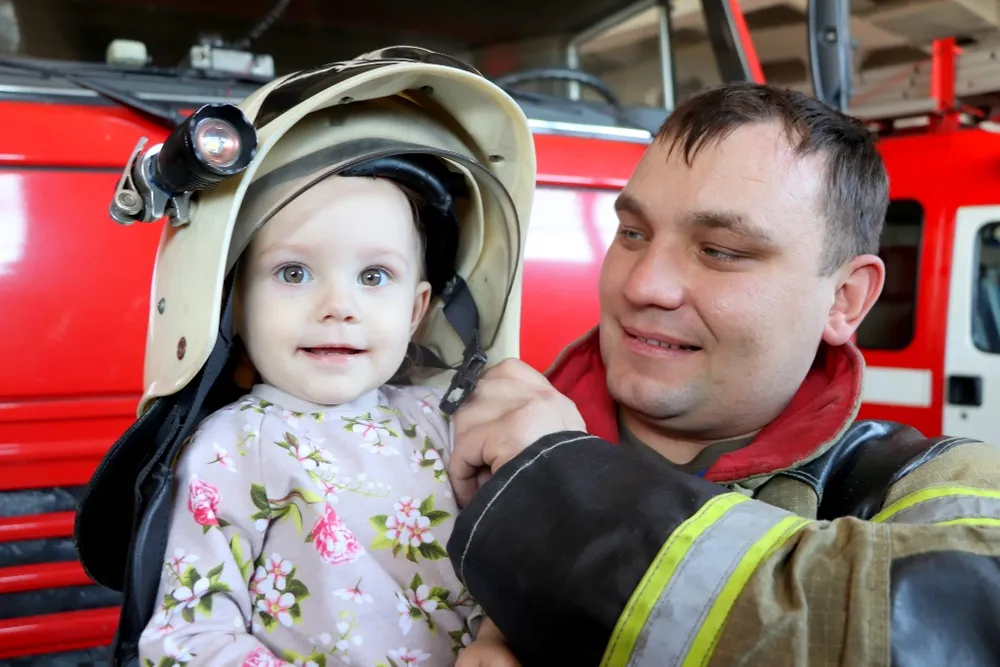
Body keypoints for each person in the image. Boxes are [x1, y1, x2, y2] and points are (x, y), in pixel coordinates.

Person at [444, 81, 1000, 667]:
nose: (643, 285)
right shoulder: (463, 433)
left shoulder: (925, 481)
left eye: (720, 251)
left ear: (845, 299)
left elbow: (963, 624)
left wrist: (558, 487)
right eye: (633, 233)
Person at [74, 47, 534, 667]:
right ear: (233, 304)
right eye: (293, 272)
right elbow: (189, 640)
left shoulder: (444, 425)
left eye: (374, 276)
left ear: (416, 308)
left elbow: (506, 565)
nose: (338, 306)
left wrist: (495, 639)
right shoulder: (232, 448)